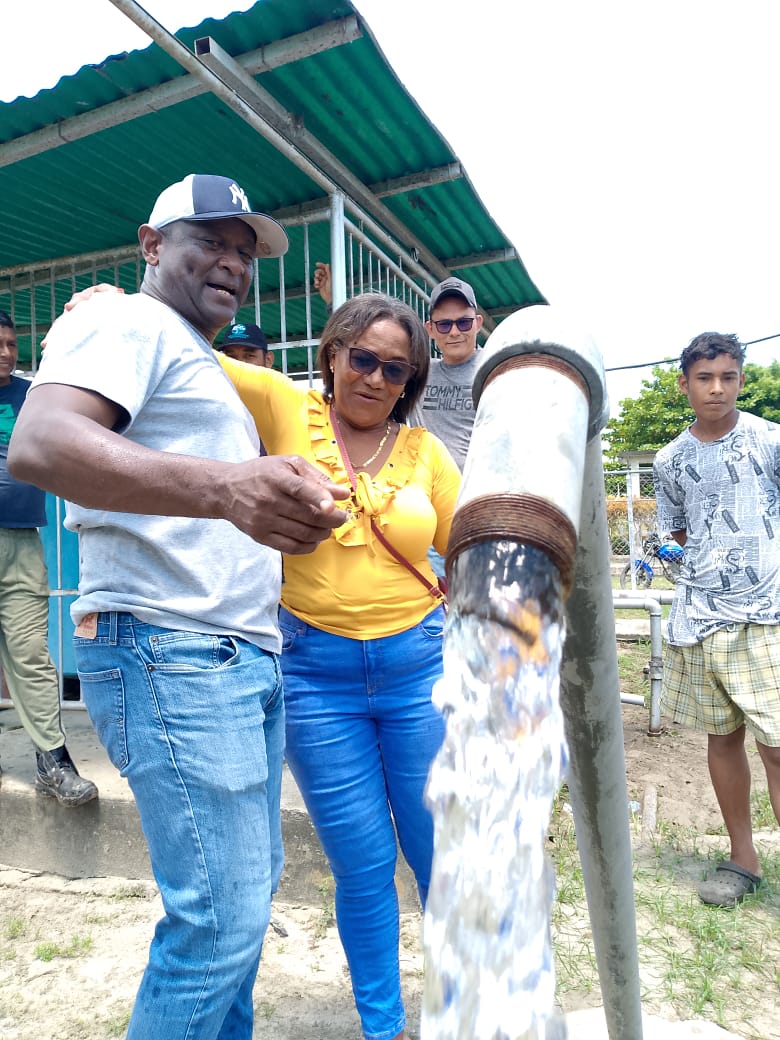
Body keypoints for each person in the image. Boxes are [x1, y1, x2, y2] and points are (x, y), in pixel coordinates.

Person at [8, 173, 348, 1039]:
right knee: (220, 924)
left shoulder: (195, 355)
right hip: (173, 649)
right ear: (152, 245)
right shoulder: (129, 321)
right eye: (210, 242)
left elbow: (206, 494)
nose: (233, 263)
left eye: (244, 252)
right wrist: (229, 488)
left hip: (231, 653)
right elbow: (40, 444)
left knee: (242, 907)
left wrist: (275, 512)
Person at [218, 293, 460, 1040]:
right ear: (332, 354)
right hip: (314, 679)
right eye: (363, 359)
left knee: (439, 859)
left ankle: (462, 1013)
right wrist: (116, 301)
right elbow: (190, 352)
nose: (376, 378)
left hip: (420, 671)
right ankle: (383, 1028)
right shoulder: (287, 406)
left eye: (396, 369)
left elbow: (470, 545)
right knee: (363, 868)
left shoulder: (425, 452)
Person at [653, 331, 780, 908]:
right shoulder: (670, 460)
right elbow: (675, 531)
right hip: (702, 615)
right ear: (685, 384)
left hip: (767, 613)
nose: (716, 389)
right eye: (704, 378)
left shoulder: (770, 440)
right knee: (722, 738)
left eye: (728, 377)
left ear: (741, 381)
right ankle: (742, 858)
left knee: (777, 745)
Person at [0, 309, 98, 805]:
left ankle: (53, 762)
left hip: (21, 542)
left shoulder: (34, 394)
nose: (5, 353)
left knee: (32, 654)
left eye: (10, 344)